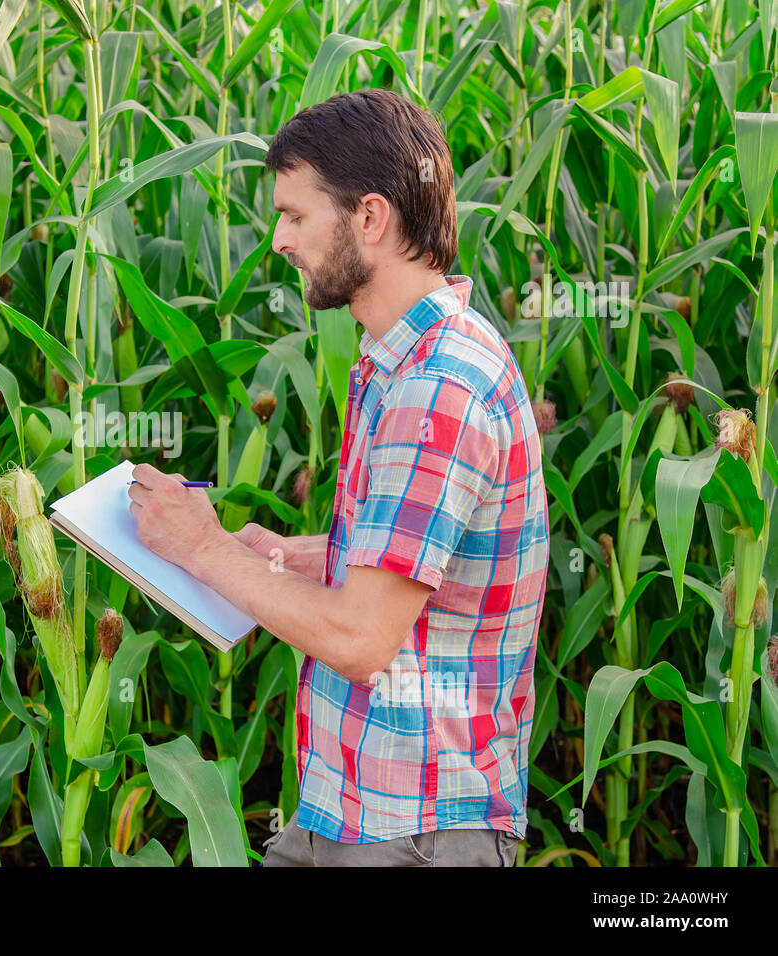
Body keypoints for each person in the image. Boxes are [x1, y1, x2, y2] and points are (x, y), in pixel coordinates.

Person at [128, 89, 549, 867]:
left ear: (369, 219)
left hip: (414, 826)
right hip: (353, 802)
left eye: (295, 215)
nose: (279, 240)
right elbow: (425, 561)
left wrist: (203, 551)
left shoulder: (439, 387)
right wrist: (288, 555)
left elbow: (361, 637)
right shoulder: (403, 363)